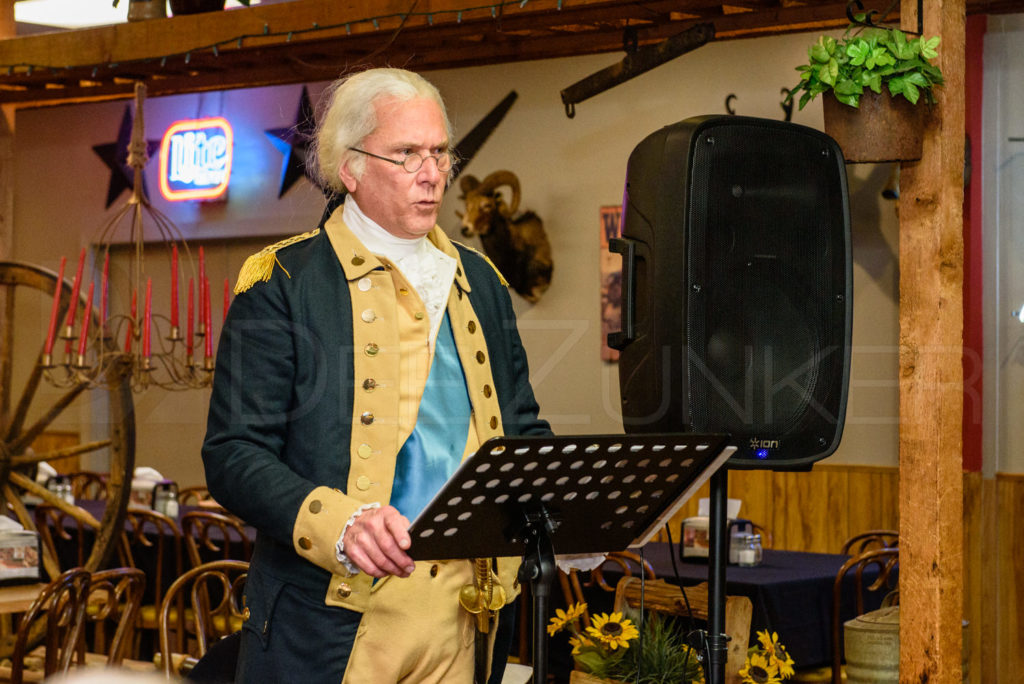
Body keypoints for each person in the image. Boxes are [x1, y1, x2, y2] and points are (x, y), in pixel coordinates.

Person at [202, 67, 551, 684]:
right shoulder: (280, 281)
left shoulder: (485, 284)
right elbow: (234, 453)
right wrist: (339, 524)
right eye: (407, 153)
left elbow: (521, 427)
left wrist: (567, 506)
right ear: (350, 168)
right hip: (330, 624)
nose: (433, 172)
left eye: (440, 151)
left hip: (468, 621)